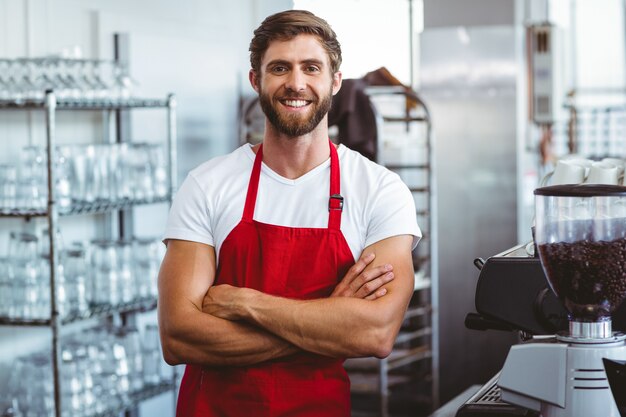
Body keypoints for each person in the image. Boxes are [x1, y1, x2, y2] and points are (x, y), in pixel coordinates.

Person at [158, 9, 421, 417]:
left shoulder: (379, 191)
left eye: (311, 68)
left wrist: (244, 303)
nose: (295, 83)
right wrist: (331, 318)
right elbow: (179, 337)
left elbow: (376, 332)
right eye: (279, 68)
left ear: (334, 81)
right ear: (256, 80)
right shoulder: (207, 185)